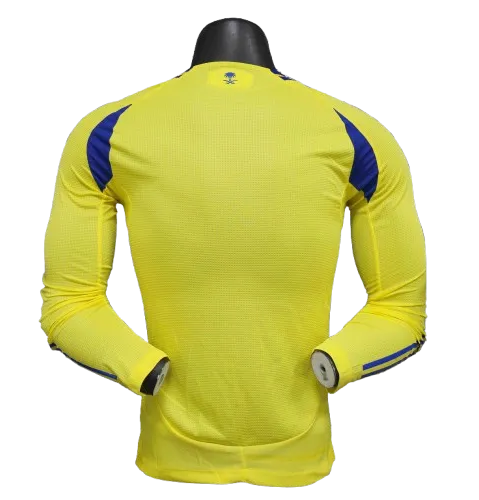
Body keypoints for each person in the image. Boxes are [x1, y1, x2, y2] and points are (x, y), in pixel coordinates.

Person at [40, 16, 427, 488]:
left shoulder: (108, 129)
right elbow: (402, 311)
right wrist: (336, 365)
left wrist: (144, 371)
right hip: (293, 455)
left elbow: (67, 305)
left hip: (174, 455)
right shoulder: (356, 132)